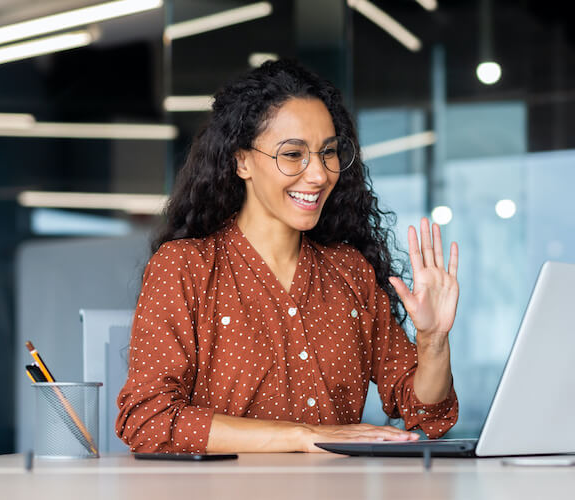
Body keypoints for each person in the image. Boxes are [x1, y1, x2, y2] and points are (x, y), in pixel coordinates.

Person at [115, 59, 460, 453]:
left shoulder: (350, 272)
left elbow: (427, 416)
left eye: (328, 153)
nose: (318, 174)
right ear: (241, 160)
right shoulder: (185, 266)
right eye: (293, 154)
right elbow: (147, 419)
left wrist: (433, 340)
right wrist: (302, 435)